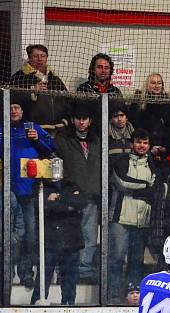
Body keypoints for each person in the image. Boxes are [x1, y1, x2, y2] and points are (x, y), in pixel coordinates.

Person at [0, 101, 55, 289]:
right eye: (10, 107)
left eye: (17, 107)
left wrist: (37, 140)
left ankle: (26, 273)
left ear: (23, 110)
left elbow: (51, 148)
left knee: (29, 236)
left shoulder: (33, 128)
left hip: (28, 192)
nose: (14, 110)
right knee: (3, 235)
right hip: (2, 193)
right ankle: (4, 275)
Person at [107, 128, 165, 302]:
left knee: (136, 259)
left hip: (143, 219)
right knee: (117, 258)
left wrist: (141, 189)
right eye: (139, 142)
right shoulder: (121, 160)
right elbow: (122, 182)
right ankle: (112, 295)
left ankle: (133, 295)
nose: (142, 146)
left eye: (145, 143)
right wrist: (146, 186)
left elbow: (156, 188)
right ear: (132, 144)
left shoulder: (153, 163)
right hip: (121, 218)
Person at [53, 106, 102, 283]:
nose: (82, 122)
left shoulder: (97, 141)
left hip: (91, 196)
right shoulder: (63, 140)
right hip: (70, 196)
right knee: (68, 235)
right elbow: (57, 165)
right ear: (73, 120)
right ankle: (65, 271)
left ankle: (84, 270)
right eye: (78, 118)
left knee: (89, 234)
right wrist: (67, 188)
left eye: (85, 118)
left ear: (90, 121)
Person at [31, 177, 85, 305]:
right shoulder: (40, 186)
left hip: (72, 242)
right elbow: (44, 207)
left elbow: (81, 202)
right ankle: (35, 310)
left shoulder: (72, 183)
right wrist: (68, 203)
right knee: (42, 283)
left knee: (70, 286)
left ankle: (69, 310)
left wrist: (58, 197)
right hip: (50, 242)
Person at [0, 157, 24, 305]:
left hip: (4, 259)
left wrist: (13, 239)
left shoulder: (8, 196)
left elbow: (19, 221)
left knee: (2, 303)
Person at [8, 44, 69, 136]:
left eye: (43, 56)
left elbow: (67, 99)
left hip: (57, 131)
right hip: (31, 129)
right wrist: (32, 91)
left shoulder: (54, 78)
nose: (39, 59)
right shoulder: (19, 77)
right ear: (29, 58)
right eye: (35, 56)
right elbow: (13, 100)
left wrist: (65, 121)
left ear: (46, 58)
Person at [128, 73, 170, 160]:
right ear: (147, 85)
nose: (156, 86)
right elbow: (135, 125)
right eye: (153, 83)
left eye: (159, 83)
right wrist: (149, 147)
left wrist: (165, 146)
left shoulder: (167, 102)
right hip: (143, 147)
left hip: (163, 148)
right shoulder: (138, 101)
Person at [76, 53, 123, 128]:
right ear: (93, 69)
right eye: (100, 67)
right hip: (89, 133)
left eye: (106, 67)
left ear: (110, 71)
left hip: (111, 133)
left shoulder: (116, 91)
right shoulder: (83, 89)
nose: (103, 70)